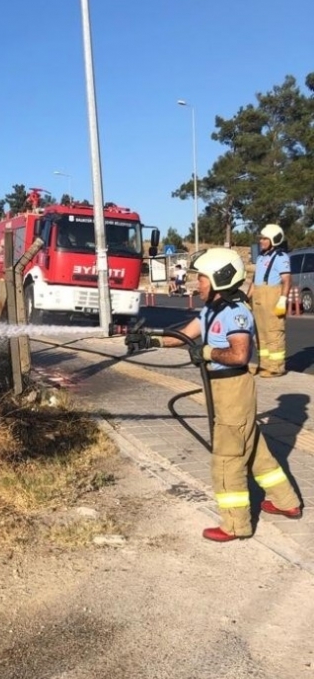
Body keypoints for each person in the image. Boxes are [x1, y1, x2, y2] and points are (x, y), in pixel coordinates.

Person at [125, 247, 301, 543]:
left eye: (202, 278)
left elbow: (240, 354)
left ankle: (236, 524)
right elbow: (183, 336)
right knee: (255, 451)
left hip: (233, 388)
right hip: (221, 388)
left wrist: (207, 352)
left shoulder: (236, 314)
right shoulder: (211, 310)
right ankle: (286, 502)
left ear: (220, 278)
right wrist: (149, 340)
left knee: (226, 459)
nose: (198, 284)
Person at [247, 224, 291, 377]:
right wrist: (247, 298)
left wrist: (282, 300)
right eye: (261, 238)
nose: (261, 241)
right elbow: (254, 281)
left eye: (265, 239)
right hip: (259, 297)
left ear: (274, 240)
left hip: (272, 298)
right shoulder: (261, 257)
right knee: (260, 334)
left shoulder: (281, 257)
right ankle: (264, 365)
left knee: (274, 333)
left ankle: (276, 367)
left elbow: (287, 280)